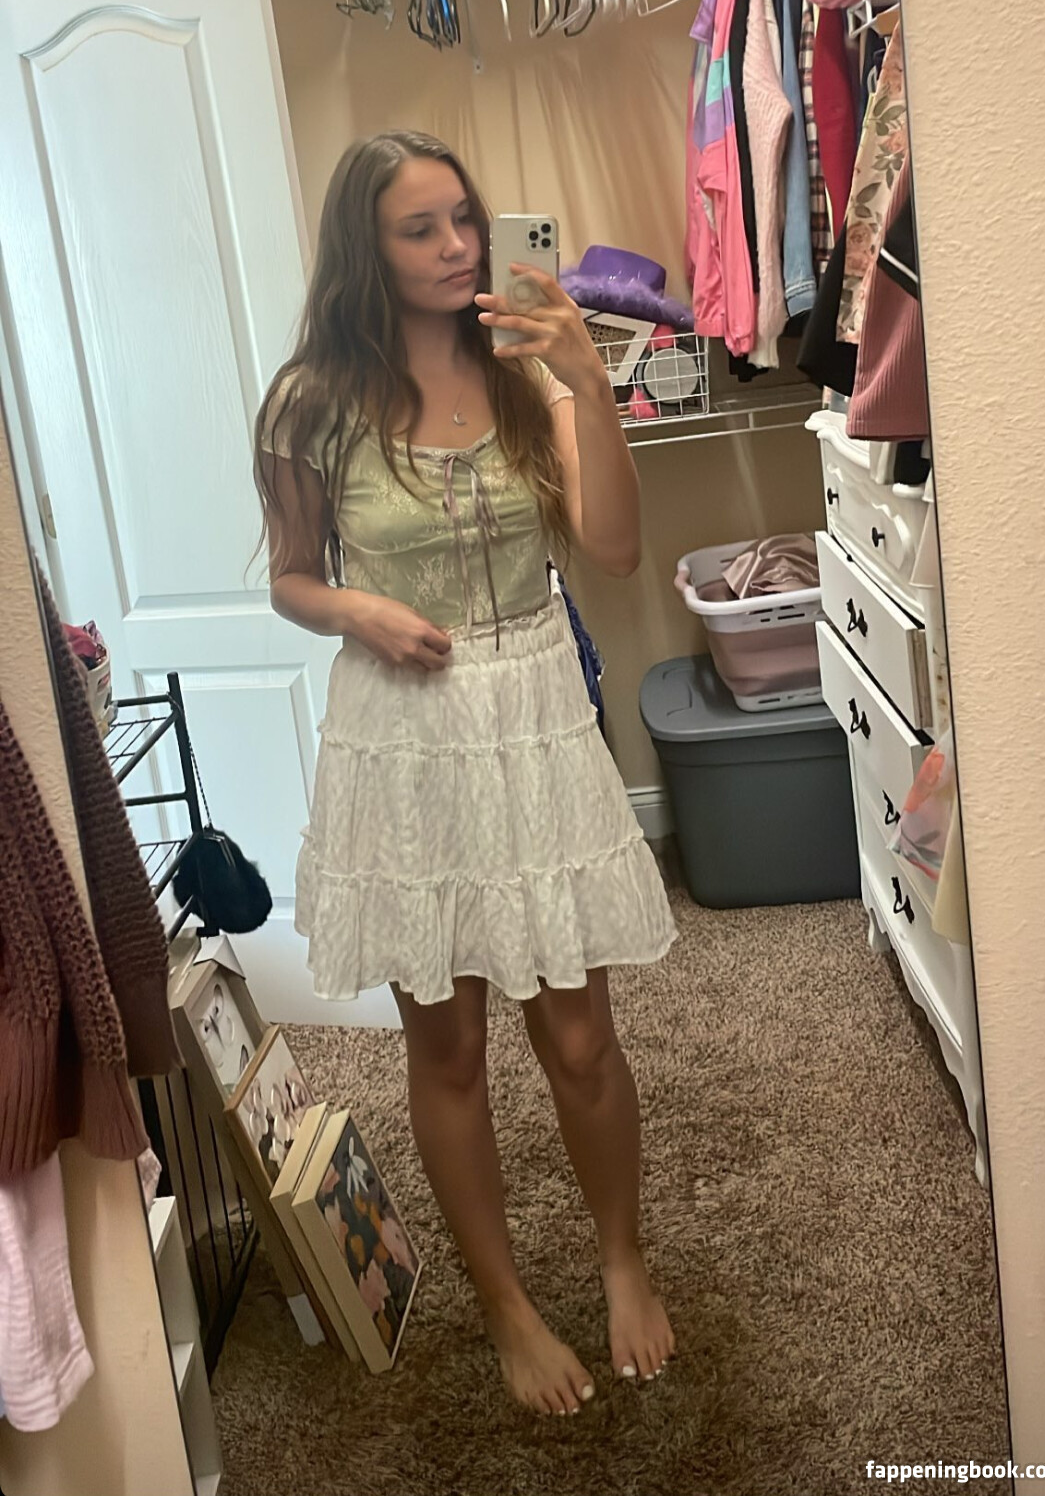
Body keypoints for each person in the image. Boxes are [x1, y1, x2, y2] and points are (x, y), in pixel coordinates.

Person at [253, 131, 678, 1417]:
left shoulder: (523, 372)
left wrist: (587, 382)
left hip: (535, 712)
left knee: (582, 1034)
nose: (457, 247)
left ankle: (622, 1258)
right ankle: (505, 1307)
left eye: (465, 220)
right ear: (364, 248)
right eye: (420, 228)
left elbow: (614, 550)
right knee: (446, 1047)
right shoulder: (308, 403)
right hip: (404, 733)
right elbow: (290, 579)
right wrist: (356, 611)